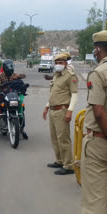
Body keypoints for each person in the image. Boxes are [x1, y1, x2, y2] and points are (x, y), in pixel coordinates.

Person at [81, 30, 107, 214]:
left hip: (100, 142)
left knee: (95, 202)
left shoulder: (98, 73)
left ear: (98, 50)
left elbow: (98, 112)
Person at [42, 53, 78, 175]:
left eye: (60, 63)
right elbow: (54, 93)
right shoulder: (56, 75)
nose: (58, 65)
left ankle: (68, 166)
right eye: (56, 63)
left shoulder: (70, 76)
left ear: (66, 63)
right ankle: (60, 160)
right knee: (54, 138)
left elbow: (74, 94)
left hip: (62, 110)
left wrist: (70, 111)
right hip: (53, 110)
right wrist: (47, 107)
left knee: (63, 139)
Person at [0, 59, 27, 141]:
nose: (10, 68)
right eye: (9, 66)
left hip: (12, 96)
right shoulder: (0, 76)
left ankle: (22, 131)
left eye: (11, 66)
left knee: (21, 111)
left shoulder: (13, 74)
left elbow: (23, 76)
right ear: (5, 67)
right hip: (3, 97)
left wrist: (18, 76)